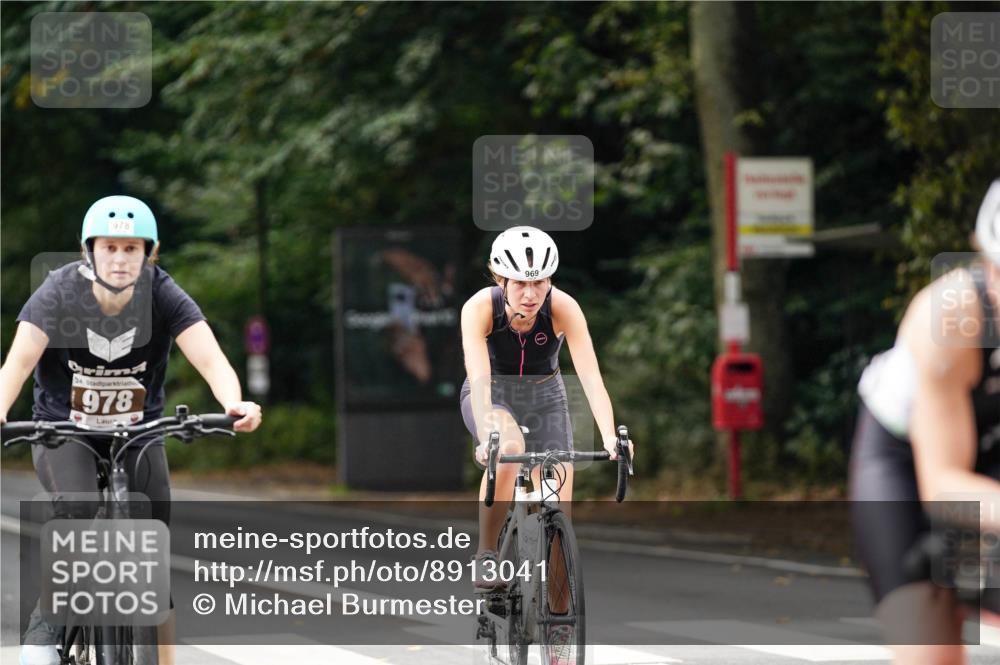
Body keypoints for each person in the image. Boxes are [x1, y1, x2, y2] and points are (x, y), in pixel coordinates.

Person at [0, 195, 263, 665]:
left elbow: (209, 357)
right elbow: (17, 364)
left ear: (149, 253)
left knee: (152, 555)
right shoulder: (58, 293)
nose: (120, 259)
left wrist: (233, 401)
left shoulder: (162, 294)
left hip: (139, 432)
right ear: (89, 250)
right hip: (65, 431)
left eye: (132, 249)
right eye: (110, 248)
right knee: (77, 520)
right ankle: (44, 639)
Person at [459, 225, 632, 665]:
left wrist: (611, 435)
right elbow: (479, 379)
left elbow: (590, 377)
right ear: (500, 279)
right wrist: (487, 434)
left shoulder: (564, 308)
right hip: (492, 393)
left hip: (546, 395)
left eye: (540, 281)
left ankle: (558, 629)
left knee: (558, 509)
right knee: (508, 445)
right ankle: (486, 553)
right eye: (520, 282)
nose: (531, 293)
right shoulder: (479, 308)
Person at [849, 179, 1000, 664]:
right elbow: (944, 486)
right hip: (907, 466)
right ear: (987, 265)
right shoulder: (950, 317)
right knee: (929, 648)